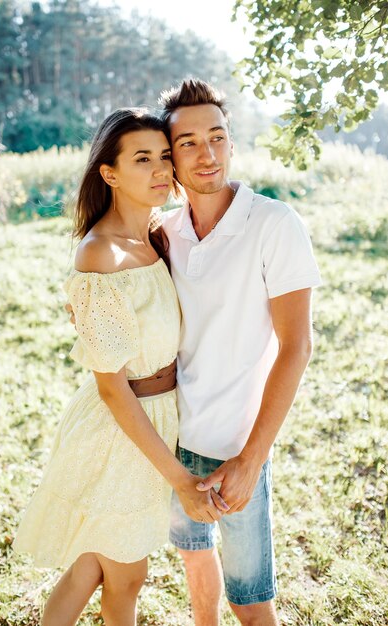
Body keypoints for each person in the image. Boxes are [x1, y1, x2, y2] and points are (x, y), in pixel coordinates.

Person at [13, 108, 227, 626]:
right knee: (123, 576)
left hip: (156, 417)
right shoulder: (100, 256)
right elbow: (111, 387)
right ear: (109, 173)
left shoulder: (155, 236)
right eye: (141, 159)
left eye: (162, 156)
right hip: (121, 429)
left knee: (94, 563)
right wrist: (178, 478)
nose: (160, 170)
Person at [156, 79, 322, 626]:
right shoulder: (163, 231)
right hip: (174, 441)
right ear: (170, 157)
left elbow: (297, 346)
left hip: (237, 447)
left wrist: (251, 460)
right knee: (195, 562)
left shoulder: (274, 224)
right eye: (189, 143)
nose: (207, 154)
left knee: (251, 603)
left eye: (218, 137)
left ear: (230, 141)